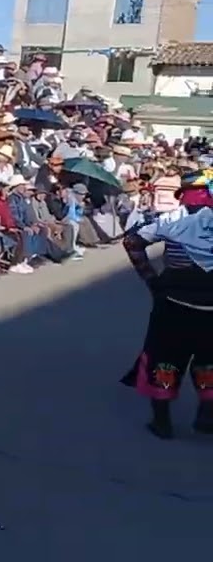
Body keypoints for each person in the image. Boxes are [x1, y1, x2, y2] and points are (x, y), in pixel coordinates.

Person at [120, 170, 213, 439]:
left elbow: (132, 242)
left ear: (183, 194)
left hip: (174, 302)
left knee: (165, 358)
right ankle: (207, 412)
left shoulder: (171, 218)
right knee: (209, 358)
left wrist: (151, 279)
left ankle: (162, 422)